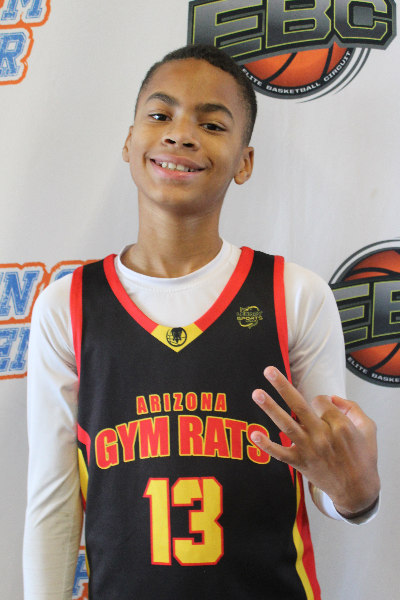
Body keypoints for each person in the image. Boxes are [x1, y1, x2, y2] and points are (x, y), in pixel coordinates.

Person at [23, 44, 380, 600]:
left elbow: (332, 486)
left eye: (211, 124)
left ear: (245, 162)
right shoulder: (67, 305)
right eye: (160, 115)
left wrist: (356, 495)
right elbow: (53, 504)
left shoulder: (295, 295)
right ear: (129, 140)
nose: (180, 134)